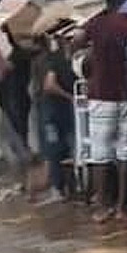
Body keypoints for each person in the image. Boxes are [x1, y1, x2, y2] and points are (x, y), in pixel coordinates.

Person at [77, 0, 127, 223]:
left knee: (100, 154)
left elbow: (76, 43)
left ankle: (102, 206)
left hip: (101, 96)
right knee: (126, 153)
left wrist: (91, 52)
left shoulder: (98, 22)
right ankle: (121, 207)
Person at [0, 25, 37, 190]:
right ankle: (25, 176)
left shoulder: (20, 56)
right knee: (20, 135)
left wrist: (5, 36)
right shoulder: (25, 55)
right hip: (16, 99)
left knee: (18, 137)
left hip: (14, 100)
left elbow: (8, 64)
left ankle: (26, 178)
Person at [39, 32, 77, 204]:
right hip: (52, 115)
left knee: (69, 149)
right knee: (55, 150)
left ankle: (69, 189)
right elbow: (49, 85)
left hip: (65, 112)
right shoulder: (54, 59)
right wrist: (70, 97)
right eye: (67, 39)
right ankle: (57, 189)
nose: (70, 42)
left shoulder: (74, 60)